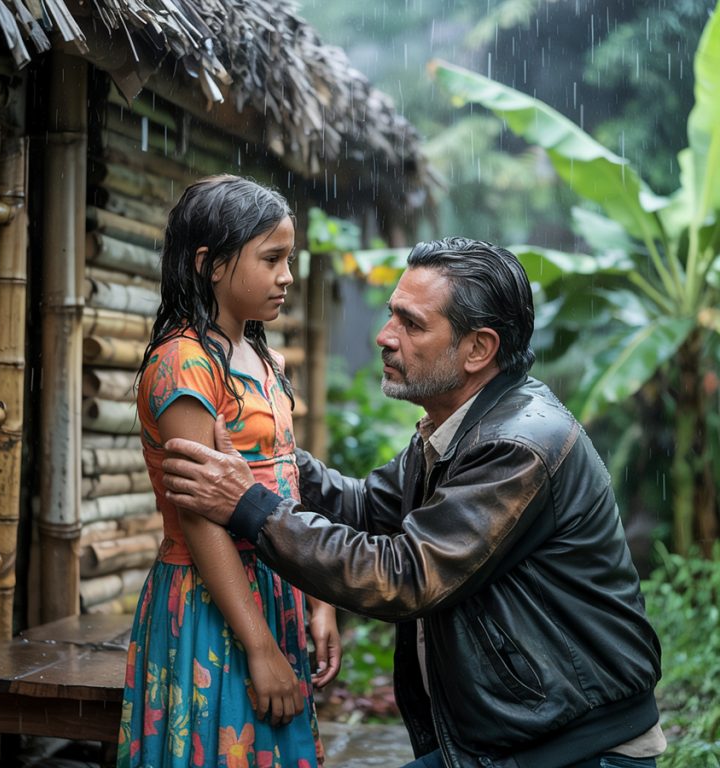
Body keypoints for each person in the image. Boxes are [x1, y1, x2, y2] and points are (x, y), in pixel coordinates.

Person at [159, 237, 667, 768]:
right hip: (518, 738)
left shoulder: (516, 446)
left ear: (478, 349)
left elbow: (402, 577)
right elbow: (362, 508)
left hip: (578, 749)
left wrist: (249, 504)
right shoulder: (459, 428)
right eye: (391, 315)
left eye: (412, 324)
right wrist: (272, 453)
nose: (385, 336)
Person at [117, 175, 341, 768]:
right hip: (213, 599)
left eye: (288, 259)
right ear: (210, 264)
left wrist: (318, 597)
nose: (286, 276)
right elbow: (198, 517)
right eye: (271, 259)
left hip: (274, 581)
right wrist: (260, 646)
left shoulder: (266, 358)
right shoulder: (184, 365)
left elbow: (286, 485)